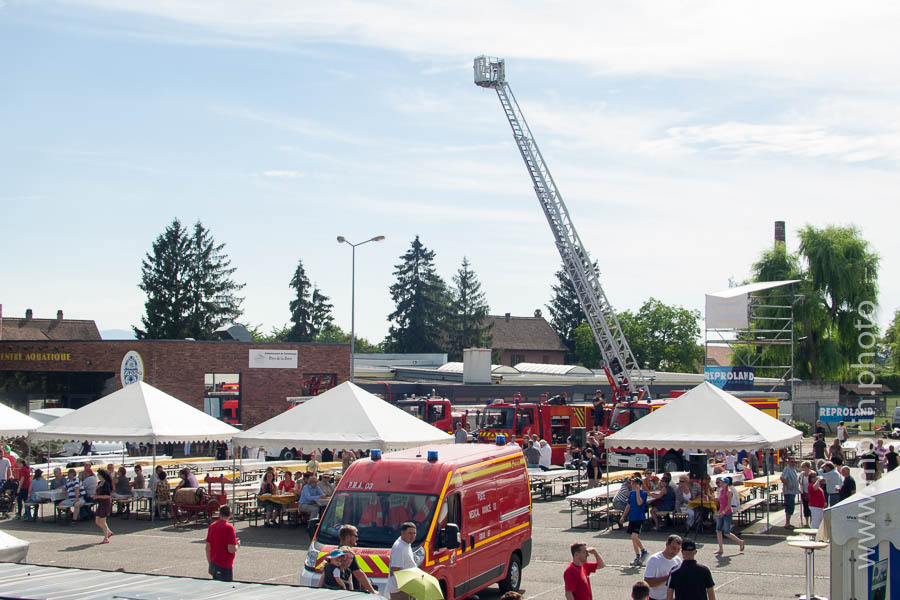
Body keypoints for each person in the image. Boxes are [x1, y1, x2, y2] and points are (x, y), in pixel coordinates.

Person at [325, 524, 377, 594]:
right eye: (356, 536)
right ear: (348, 537)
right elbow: (358, 574)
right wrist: (372, 591)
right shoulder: (346, 554)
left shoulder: (338, 552)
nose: (357, 539)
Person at [206, 505, 239, 582]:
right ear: (230, 514)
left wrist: (210, 564)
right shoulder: (229, 528)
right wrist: (237, 545)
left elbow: (208, 547)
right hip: (225, 565)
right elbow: (231, 549)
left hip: (214, 562)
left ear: (219, 514)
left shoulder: (212, 526)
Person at [643, 535, 682, 600]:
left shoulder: (678, 560)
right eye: (673, 548)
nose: (675, 552)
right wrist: (668, 577)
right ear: (667, 544)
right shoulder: (654, 559)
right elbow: (648, 582)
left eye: (678, 549)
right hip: (655, 598)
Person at [385, 522, 417, 600]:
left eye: (414, 533)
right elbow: (395, 569)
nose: (412, 536)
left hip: (405, 587)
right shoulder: (400, 547)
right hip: (399, 589)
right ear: (402, 533)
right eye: (409, 533)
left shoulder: (406, 544)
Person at [621, 478, 649, 565]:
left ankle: (644, 551)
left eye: (633, 484)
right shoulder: (631, 493)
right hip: (632, 517)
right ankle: (637, 556)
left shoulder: (643, 493)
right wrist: (623, 516)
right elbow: (628, 505)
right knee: (633, 538)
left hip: (639, 517)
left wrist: (637, 492)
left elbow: (640, 503)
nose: (631, 485)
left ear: (637, 484)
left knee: (634, 536)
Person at [714, 478, 743, 554]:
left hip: (727, 513)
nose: (721, 484)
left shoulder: (729, 492)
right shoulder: (721, 491)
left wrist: (723, 512)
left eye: (723, 483)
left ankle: (740, 542)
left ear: (727, 484)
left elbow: (729, 505)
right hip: (721, 511)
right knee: (718, 530)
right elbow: (720, 501)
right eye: (721, 482)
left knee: (727, 532)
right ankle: (720, 548)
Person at [93, 469, 114, 543]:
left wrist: (98, 497)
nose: (97, 476)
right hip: (100, 503)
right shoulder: (99, 483)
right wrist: (96, 489)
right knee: (97, 521)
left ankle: (106, 538)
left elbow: (107, 496)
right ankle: (108, 532)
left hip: (105, 503)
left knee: (102, 521)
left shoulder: (106, 484)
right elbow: (95, 492)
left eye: (98, 475)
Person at [780, 457, 799, 529]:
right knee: (789, 507)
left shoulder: (793, 469)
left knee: (791, 507)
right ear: (788, 462)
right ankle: (787, 523)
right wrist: (788, 485)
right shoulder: (787, 469)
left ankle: (788, 522)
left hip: (793, 491)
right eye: (791, 462)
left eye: (794, 462)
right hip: (788, 491)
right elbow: (782, 478)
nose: (793, 463)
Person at [798, 461, 812, 528]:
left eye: (803, 467)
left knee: (811, 508)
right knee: (805, 508)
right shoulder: (802, 474)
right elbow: (799, 481)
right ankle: (807, 522)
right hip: (804, 493)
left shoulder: (812, 473)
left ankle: (812, 522)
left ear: (807, 467)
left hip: (811, 493)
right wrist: (800, 489)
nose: (802, 468)